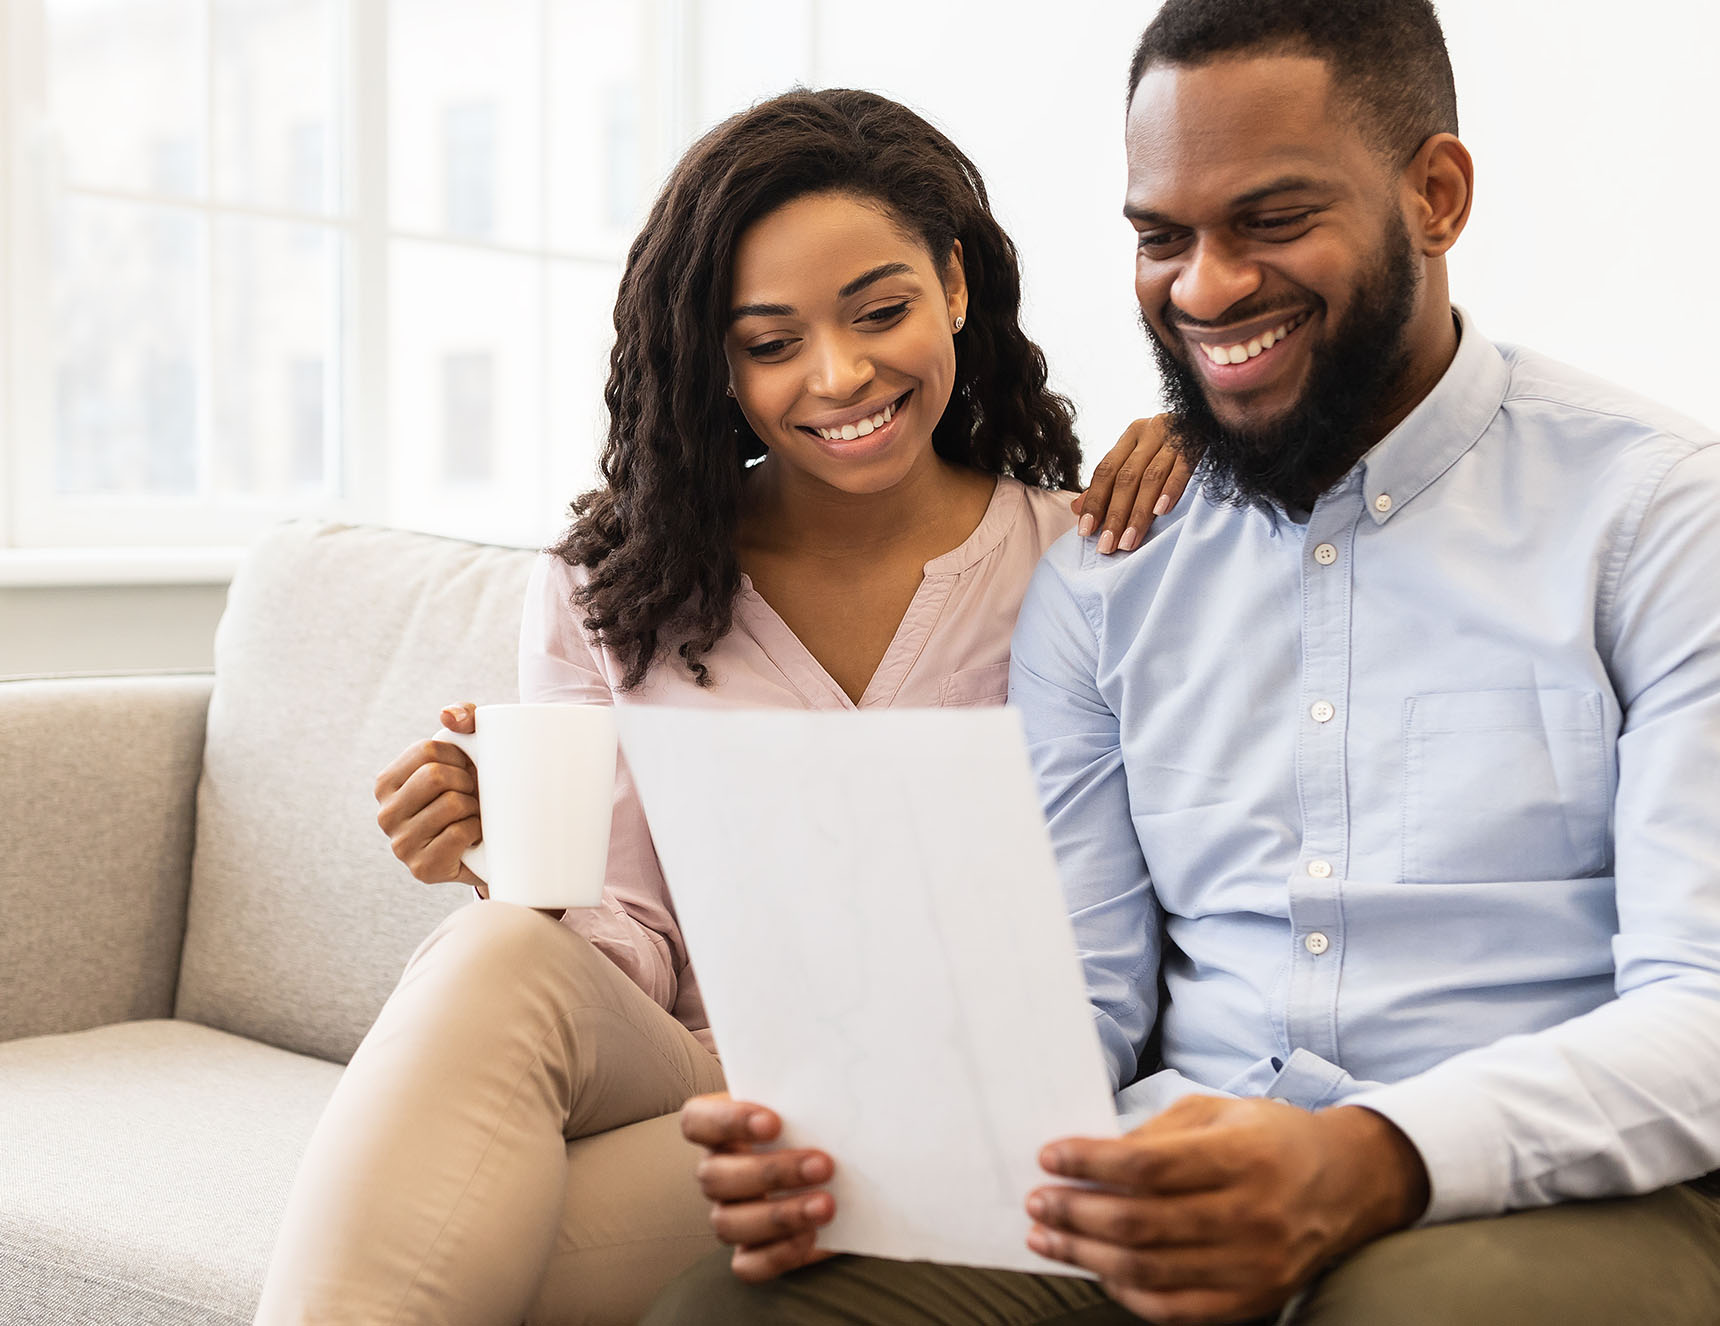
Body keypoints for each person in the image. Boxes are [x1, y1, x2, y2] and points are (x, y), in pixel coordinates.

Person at [655, 0, 1720, 1326]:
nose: (1204, 287)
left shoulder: (1671, 518)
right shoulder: (1107, 572)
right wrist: (869, 1143)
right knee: (733, 1311)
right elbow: (1077, 994)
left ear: (1436, 195)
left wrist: (1364, 1161)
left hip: (1561, 1204)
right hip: (1158, 1178)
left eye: (1270, 220)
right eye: (1160, 237)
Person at [253, 88, 1189, 1325]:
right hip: (691, 1068)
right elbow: (624, 938)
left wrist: (1217, 439)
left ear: (955, 287)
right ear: (718, 363)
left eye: (882, 312)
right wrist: (517, 865)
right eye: (770, 342)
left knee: (468, 1244)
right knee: (496, 951)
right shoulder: (616, 588)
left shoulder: (1092, 559)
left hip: (953, 1110)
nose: (838, 374)